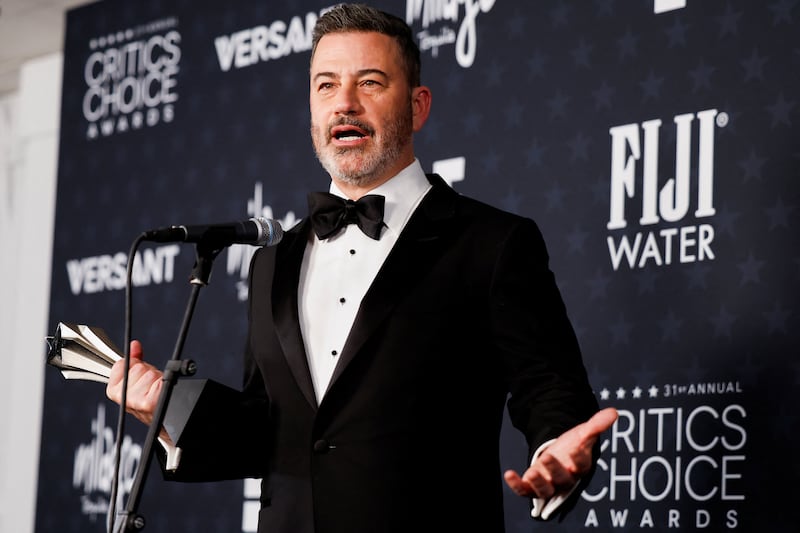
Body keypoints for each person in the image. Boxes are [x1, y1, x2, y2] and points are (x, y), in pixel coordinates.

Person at [106, 4, 618, 533]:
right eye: (326, 85)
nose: (344, 104)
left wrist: (556, 451)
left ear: (418, 106)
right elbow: (272, 428)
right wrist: (173, 413)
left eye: (370, 83)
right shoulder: (271, 261)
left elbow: (549, 387)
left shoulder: (492, 243)